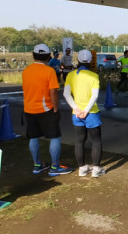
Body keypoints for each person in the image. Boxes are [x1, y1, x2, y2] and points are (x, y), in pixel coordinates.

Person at [22, 43, 73, 176]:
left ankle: (37, 165)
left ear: (34, 55)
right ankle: (55, 167)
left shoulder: (26, 71)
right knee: (55, 136)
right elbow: (53, 92)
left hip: (29, 109)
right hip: (46, 109)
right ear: (47, 56)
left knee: (33, 137)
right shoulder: (49, 71)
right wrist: (55, 108)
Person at [63, 50, 106, 178]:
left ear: (79, 60)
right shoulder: (94, 76)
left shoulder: (71, 75)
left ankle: (82, 168)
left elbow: (66, 94)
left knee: (79, 141)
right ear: (90, 61)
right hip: (91, 112)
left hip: (76, 114)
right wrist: (86, 110)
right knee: (96, 141)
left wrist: (76, 109)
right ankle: (96, 169)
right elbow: (95, 95)